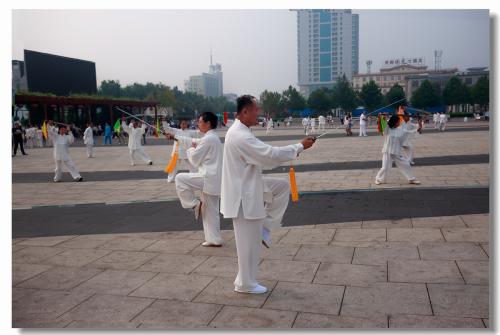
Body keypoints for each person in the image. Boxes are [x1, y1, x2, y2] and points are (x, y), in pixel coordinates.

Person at [220, 95, 315, 294]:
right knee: (248, 246)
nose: (259, 113)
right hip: (243, 196)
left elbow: (264, 156)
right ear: (245, 112)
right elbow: (269, 155)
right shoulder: (240, 135)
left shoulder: (241, 131)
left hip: (248, 186)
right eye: (256, 110)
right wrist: (299, 147)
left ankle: (265, 227)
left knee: (281, 187)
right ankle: (246, 284)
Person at [166, 112, 224, 247]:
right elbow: (193, 141)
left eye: (200, 121)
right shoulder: (211, 137)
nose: (198, 124)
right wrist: (175, 137)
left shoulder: (209, 139)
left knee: (180, 178)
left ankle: (193, 204)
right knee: (211, 211)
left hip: (208, 178)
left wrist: (191, 150)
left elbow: (195, 158)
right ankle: (214, 239)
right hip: (213, 179)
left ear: (208, 123)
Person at [374, 115, 421, 185]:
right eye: (398, 122)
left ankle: (411, 179)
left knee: (405, 164)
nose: (399, 123)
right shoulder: (387, 129)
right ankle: (379, 179)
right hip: (387, 151)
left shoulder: (400, 130)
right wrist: (381, 118)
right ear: (394, 122)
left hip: (396, 151)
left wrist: (417, 129)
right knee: (385, 167)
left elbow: (408, 132)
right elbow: (382, 126)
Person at [163, 118, 199, 183]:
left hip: (187, 151)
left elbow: (197, 136)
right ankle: (171, 178)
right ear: (180, 124)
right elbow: (167, 129)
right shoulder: (176, 131)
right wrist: (164, 121)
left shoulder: (191, 132)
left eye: (185, 123)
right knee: (174, 166)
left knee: (193, 165)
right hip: (177, 152)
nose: (184, 125)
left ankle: (195, 176)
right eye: (182, 123)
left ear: (187, 124)